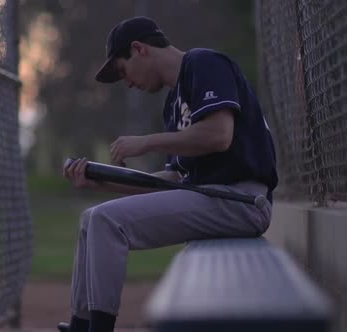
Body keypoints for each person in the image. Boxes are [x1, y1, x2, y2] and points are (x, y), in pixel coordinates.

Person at [58, 16, 278, 332]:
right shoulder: (173, 104)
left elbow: (219, 134)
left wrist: (146, 143)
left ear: (139, 49)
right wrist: (102, 183)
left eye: (123, 71)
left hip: (241, 199)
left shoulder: (203, 63)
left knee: (106, 222)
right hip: (212, 197)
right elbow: (175, 181)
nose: (128, 82)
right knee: (91, 219)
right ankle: (81, 326)